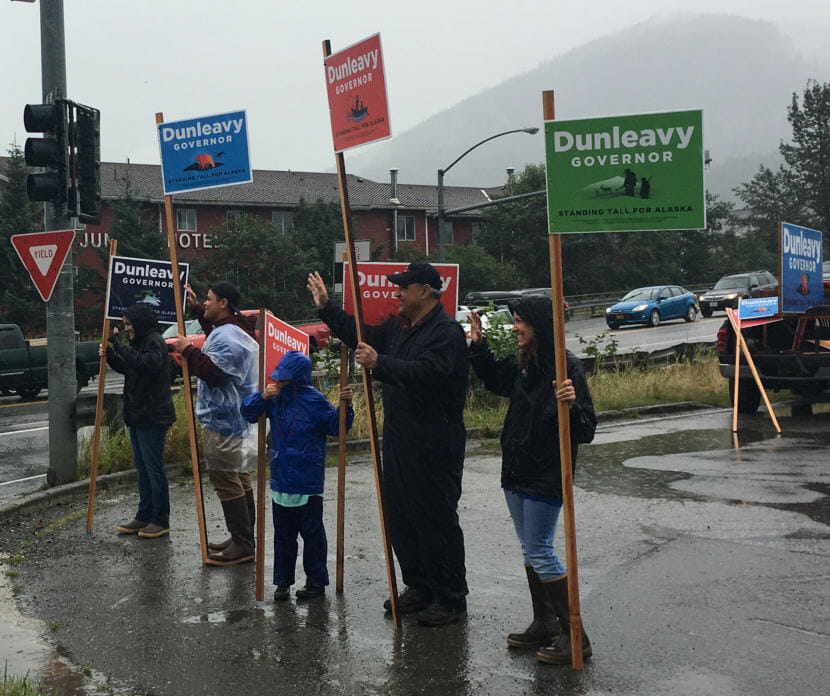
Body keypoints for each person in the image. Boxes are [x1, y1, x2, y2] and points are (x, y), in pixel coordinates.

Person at [307, 262, 469, 626]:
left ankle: (450, 597)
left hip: (434, 443)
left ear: (424, 291)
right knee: (401, 516)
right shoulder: (401, 327)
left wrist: (380, 364)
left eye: (403, 287)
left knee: (435, 519)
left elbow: (426, 374)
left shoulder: (446, 333)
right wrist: (326, 308)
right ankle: (420, 584)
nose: (397, 292)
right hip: (399, 438)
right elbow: (361, 335)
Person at [468, 294, 596, 664]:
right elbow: (497, 381)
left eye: (520, 320)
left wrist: (570, 405)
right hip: (517, 470)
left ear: (539, 324)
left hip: (545, 472)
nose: (514, 326)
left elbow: (586, 429)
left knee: (540, 549)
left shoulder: (564, 365)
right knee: (531, 550)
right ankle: (545, 623)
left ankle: (576, 635)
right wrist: (479, 348)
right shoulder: (526, 363)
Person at [240, 351, 354, 601]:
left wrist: (346, 406)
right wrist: (263, 396)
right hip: (281, 481)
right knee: (283, 536)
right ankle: (282, 583)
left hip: (309, 482)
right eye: (278, 378)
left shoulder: (316, 400)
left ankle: (316, 583)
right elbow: (247, 412)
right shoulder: (274, 399)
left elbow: (337, 427)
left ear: (297, 378)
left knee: (313, 535)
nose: (279, 382)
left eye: (284, 378)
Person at [176, 282, 259, 565]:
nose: (207, 303)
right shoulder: (235, 328)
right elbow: (218, 338)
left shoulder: (228, 336)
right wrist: (198, 310)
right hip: (235, 419)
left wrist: (188, 351)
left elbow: (214, 372)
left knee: (226, 479)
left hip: (224, 421)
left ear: (224, 302)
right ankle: (243, 537)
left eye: (210, 300)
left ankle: (243, 544)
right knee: (238, 475)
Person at [101, 303, 176, 539]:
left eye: (129, 324)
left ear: (140, 323)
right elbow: (130, 367)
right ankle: (144, 514)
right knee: (142, 468)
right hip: (136, 414)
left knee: (153, 469)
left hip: (152, 415)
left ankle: (160, 519)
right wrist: (111, 355)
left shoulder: (154, 341)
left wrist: (119, 346)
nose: (126, 328)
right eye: (124, 324)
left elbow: (147, 364)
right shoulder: (139, 343)